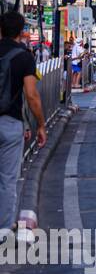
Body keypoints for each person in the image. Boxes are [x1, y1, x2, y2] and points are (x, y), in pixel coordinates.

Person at [0, 12, 44, 240]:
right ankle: (3, 229)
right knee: (7, 179)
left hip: (13, 123)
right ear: (21, 32)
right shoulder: (24, 57)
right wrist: (40, 125)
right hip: (10, 123)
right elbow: (31, 95)